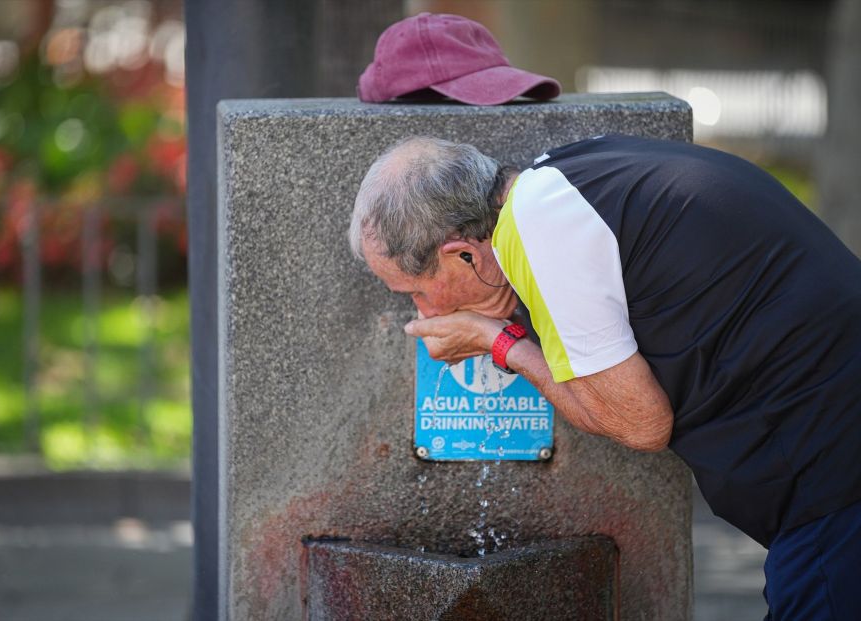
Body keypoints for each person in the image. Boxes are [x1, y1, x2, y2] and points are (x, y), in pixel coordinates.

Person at [349, 134, 861, 619]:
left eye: (415, 292)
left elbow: (640, 423)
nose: (423, 311)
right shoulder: (565, 177)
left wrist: (500, 343)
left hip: (834, 464)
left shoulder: (542, 229)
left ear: (462, 254)